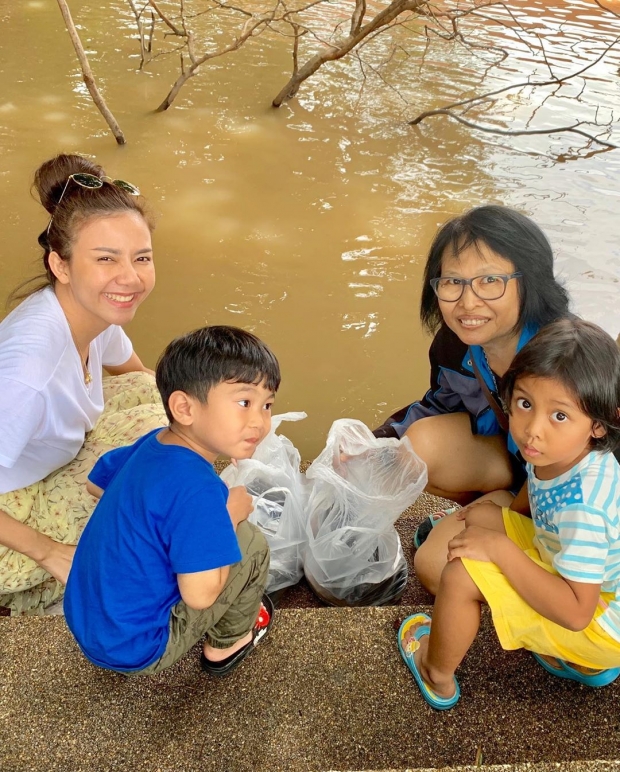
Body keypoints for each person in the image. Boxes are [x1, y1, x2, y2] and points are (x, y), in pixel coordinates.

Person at [396, 318, 620, 710]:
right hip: (582, 574)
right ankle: (571, 657)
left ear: (599, 425)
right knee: (481, 517)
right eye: (525, 403)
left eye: (560, 415)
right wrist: (497, 526)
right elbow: (532, 497)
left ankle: (437, 672)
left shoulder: (584, 508)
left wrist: (500, 550)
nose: (533, 430)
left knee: (461, 575)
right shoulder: (560, 452)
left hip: (600, 623)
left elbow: (575, 612)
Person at [372, 205, 571, 593]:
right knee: (408, 451)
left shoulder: (566, 359)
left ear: (528, 282)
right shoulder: (457, 343)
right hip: (518, 469)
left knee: (435, 569)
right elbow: (442, 404)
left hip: (565, 503)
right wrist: (374, 445)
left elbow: (586, 467)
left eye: (490, 281)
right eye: (452, 282)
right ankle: (483, 515)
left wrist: (511, 518)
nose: (467, 302)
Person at [0, 153, 167, 615]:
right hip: (12, 508)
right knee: (149, 508)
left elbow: (139, 376)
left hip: (55, 453)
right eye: (106, 259)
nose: (130, 278)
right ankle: (41, 592)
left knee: (169, 411)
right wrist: (50, 552)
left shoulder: (93, 309)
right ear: (62, 264)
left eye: (142, 258)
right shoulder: (26, 373)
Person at [64, 326, 276, 676]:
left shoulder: (155, 441)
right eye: (244, 402)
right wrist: (229, 517)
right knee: (251, 544)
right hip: (136, 647)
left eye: (266, 405)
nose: (260, 421)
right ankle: (228, 644)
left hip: (85, 615)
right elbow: (200, 596)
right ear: (184, 407)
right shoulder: (199, 490)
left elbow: (95, 485)